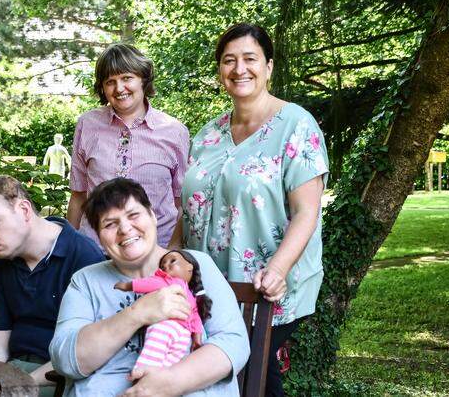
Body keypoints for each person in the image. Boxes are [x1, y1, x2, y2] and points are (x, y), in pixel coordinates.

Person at [176, 23, 329, 397]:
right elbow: (188, 211)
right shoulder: (208, 134)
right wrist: (170, 260)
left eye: (250, 59)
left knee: (256, 377)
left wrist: (277, 270)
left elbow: (307, 212)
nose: (239, 69)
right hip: (211, 285)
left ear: (269, 66)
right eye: (229, 61)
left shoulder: (296, 125)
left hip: (268, 286)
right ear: (220, 71)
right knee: (214, 377)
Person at [50, 178, 249, 396]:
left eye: (134, 215)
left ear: (153, 216)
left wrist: (171, 383)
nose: (125, 229)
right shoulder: (85, 281)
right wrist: (137, 313)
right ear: (99, 237)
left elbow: (233, 343)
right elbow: (66, 359)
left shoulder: (194, 264)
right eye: (110, 224)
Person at [0, 175, 104, 396]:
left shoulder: (83, 256)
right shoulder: (5, 262)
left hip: (60, 379)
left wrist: (21, 384)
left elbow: (87, 351)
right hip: (11, 373)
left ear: (23, 210)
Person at [67, 44, 189, 247]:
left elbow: (182, 203)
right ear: (102, 88)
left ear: (143, 78)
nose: (119, 88)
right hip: (96, 251)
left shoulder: (174, 131)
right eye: (110, 82)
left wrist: (172, 253)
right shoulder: (87, 125)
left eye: (126, 78)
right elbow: (78, 197)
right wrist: (70, 252)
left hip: (154, 252)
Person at [113, 249, 212, 368]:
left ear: (189, 267)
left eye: (172, 261)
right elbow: (147, 283)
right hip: (166, 325)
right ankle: (143, 370)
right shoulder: (165, 281)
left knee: (174, 359)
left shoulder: (191, 294)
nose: (165, 265)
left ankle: (156, 375)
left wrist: (197, 339)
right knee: (155, 347)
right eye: (162, 264)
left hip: (184, 333)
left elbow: (195, 317)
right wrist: (126, 285)